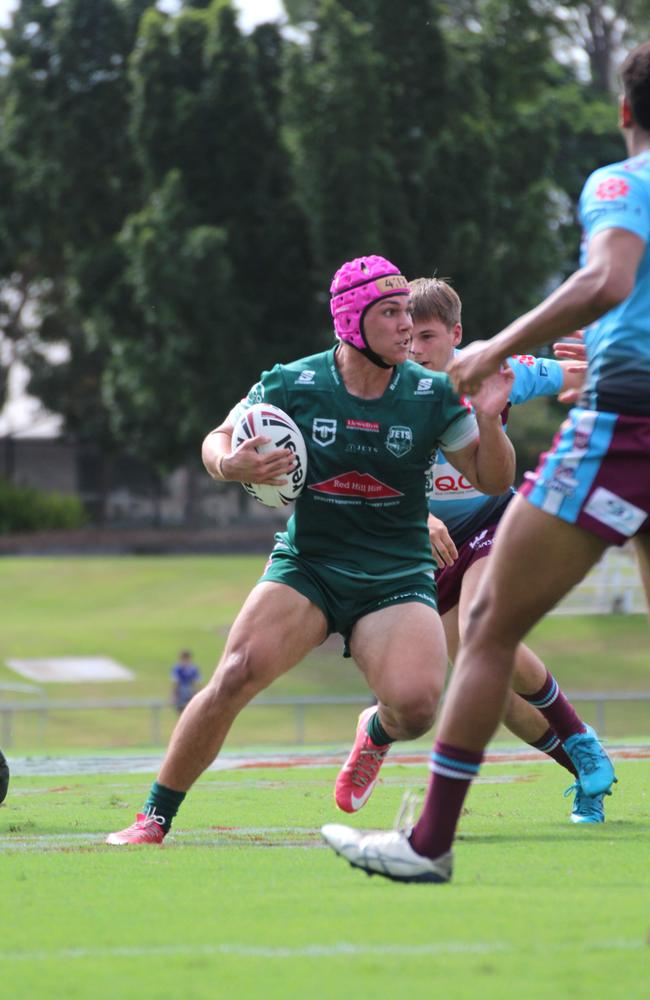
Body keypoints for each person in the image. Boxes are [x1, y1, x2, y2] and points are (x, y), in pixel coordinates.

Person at [321, 41, 650, 883]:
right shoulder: (360, 386)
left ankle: (431, 841)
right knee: (442, 658)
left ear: (623, 113)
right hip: (407, 547)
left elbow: (607, 281)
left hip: (627, 427)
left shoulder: (622, 183)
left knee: (488, 626)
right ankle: (405, 743)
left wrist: (505, 354)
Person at [106, 253, 515, 845]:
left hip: (396, 575)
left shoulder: (432, 393)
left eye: (409, 313)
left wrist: (492, 421)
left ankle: (375, 729)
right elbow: (217, 438)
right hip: (310, 566)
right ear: (352, 321)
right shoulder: (293, 383)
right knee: (235, 674)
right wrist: (229, 461)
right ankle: (153, 817)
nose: (407, 325)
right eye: (392, 312)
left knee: (418, 706)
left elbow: (493, 480)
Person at [333, 277, 610, 825]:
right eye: (407, 336)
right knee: (481, 688)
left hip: (490, 523)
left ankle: (580, 740)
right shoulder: (379, 388)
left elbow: (578, 376)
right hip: (417, 545)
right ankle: (580, 771)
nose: (414, 349)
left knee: (485, 634)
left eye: (428, 337)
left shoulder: (497, 369)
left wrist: (601, 360)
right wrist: (421, 516)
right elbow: (354, 474)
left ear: (456, 336)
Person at [171, 650, 201, 715]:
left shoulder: (193, 669)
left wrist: (197, 694)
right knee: (181, 713)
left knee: (191, 713)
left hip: (190, 693)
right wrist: (174, 695)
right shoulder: (178, 669)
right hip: (181, 693)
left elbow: (196, 683)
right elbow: (176, 683)